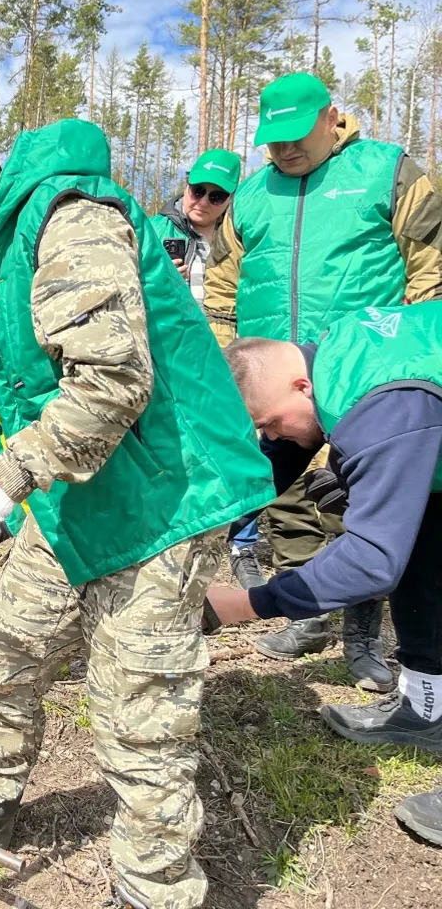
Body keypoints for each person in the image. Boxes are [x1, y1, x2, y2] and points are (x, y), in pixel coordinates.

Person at [0, 125, 275, 909]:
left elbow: (111, 385)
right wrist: (16, 478)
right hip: (77, 493)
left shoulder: (69, 218)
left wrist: (5, 480)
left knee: (140, 715)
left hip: (164, 495)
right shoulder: (1, 253)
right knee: (10, 653)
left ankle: (154, 889)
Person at [204, 71, 442, 686]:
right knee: (285, 498)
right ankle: (307, 610)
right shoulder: (251, 198)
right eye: (272, 141)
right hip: (279, 380)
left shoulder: (385, 173)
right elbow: (223, 288)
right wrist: (235, 367)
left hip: (363, 383)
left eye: (294, 137)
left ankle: (361, 636)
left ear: (330, 116)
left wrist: (400, 362)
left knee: (367, 511)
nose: (284, 151)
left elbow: (430, 268)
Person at [207, 303, 442, 845]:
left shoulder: (385, 407)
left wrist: (248, 604)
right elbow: (273, 462)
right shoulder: (333, 355)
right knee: (422, 540)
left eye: (269, 424)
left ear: (299, 386)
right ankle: (425, 708)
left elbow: (371, 561)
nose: (272, 437)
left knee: (387, 546)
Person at [149, 148, 240, 305]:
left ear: (230, 198)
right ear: (187, 185)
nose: (203, 202)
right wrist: (155, 279)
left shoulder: (240, 239)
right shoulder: (150, 231)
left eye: (216, 197)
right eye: (198, 191)